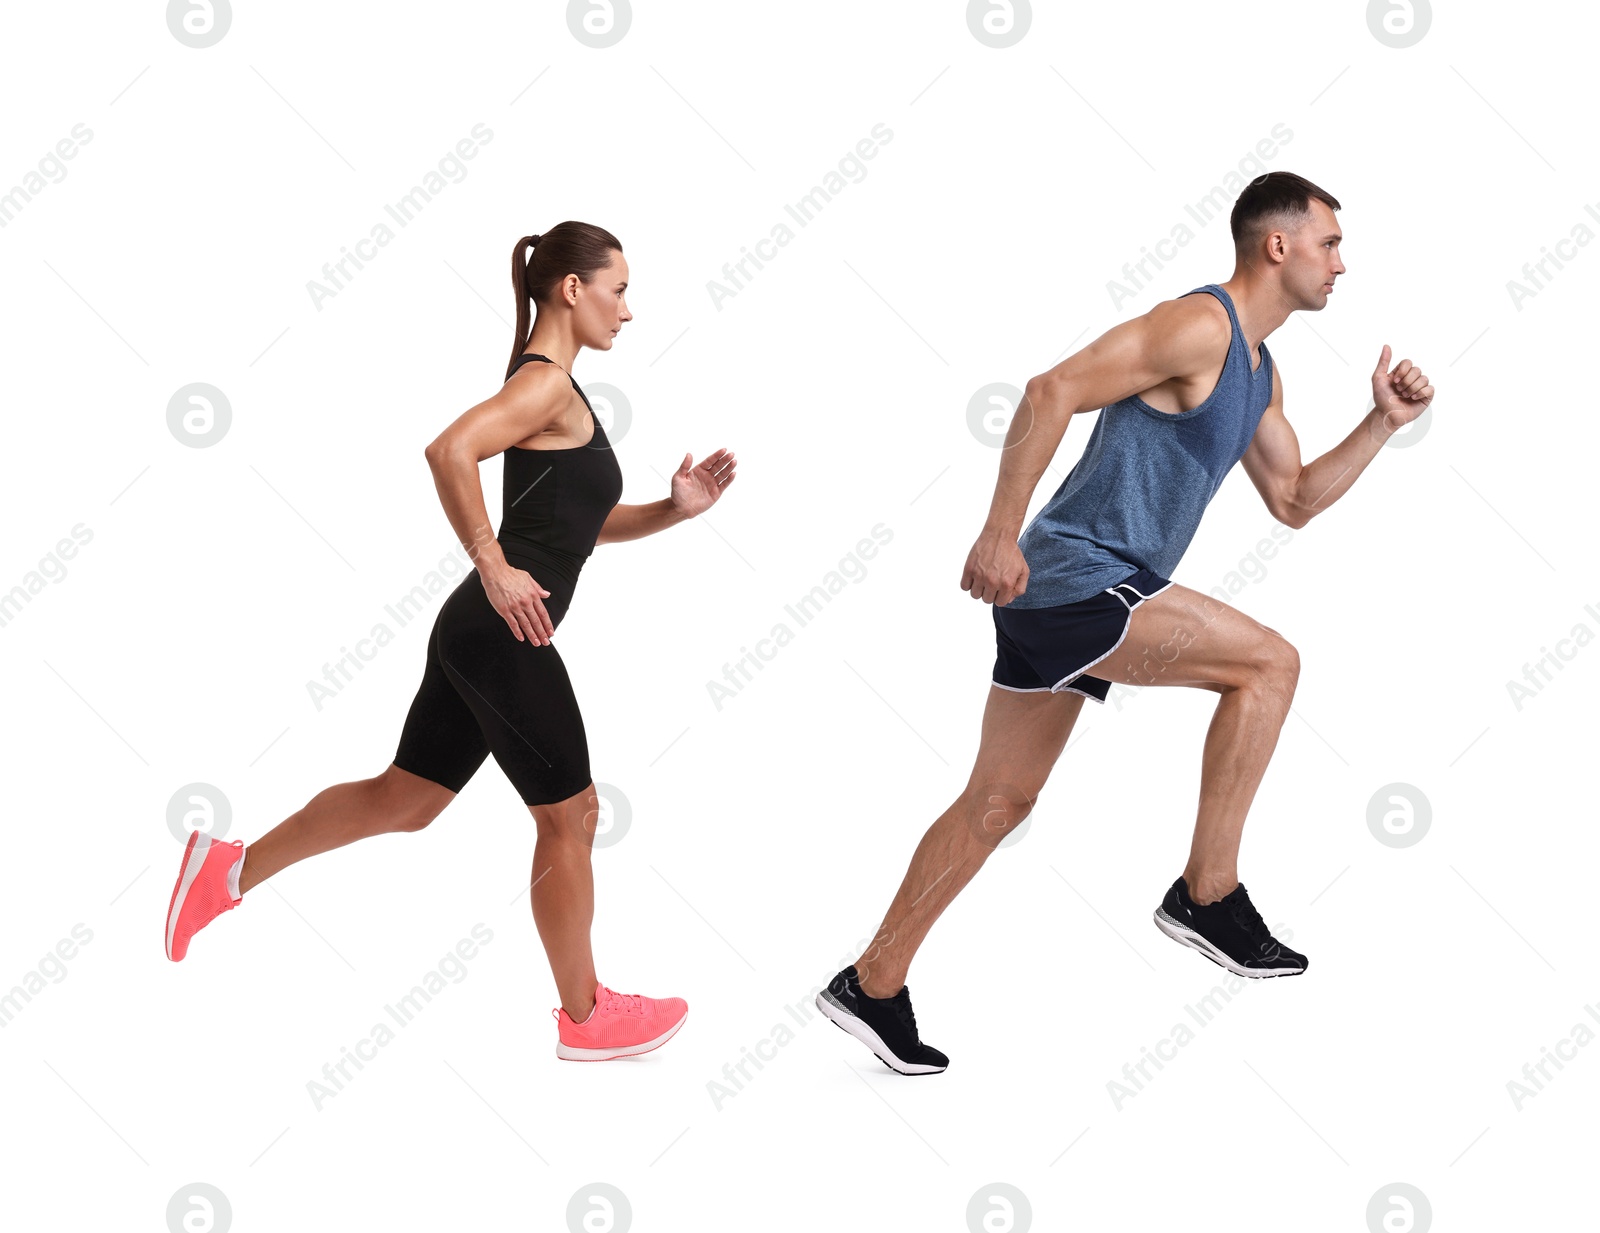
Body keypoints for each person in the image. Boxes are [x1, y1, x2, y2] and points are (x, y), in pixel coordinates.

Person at [816, 172, 1434, 1075]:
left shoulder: (1260, 374)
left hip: (1083, 598)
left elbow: (1296, 498)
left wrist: (1382, 422)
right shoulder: (1200, 326)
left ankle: (871, 982)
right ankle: (1207, 894)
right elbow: (1050, 387)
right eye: (1330, 243)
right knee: (1269, 665)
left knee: (999, 801)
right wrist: (997, 530)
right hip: (1078, 576)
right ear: (1277, 245)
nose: (1342, 263)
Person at [165, 221, 738, 1063]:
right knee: (571, 813)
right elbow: (449, 450)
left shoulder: (562, 394)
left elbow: (577, 527)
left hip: (481, 629)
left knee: (408, 798)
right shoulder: (545, 385)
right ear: (572, 290)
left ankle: (225, 871)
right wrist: (492, 561)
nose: (628, 309)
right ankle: (585, 1016)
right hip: (501, 628)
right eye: (618, 288)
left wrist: (672, 510)